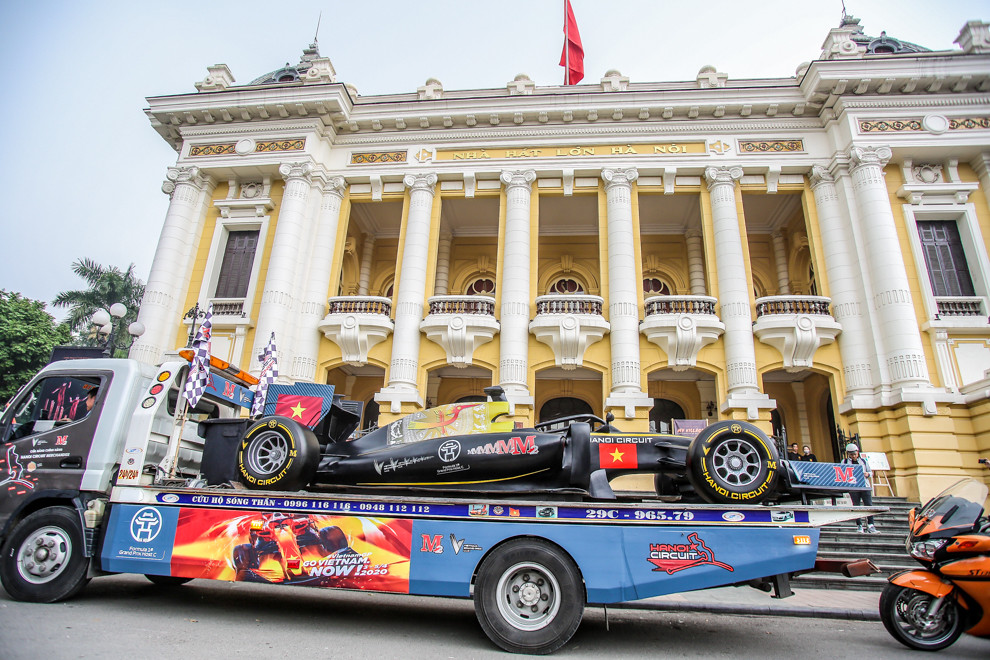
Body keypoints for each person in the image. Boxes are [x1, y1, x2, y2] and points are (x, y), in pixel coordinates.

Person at [842, 443, 876, 533]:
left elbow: (870, 472)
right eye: (851, 454)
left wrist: (867, 474)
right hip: (853, 487)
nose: (853, 456)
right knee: (856, 506)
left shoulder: (863, 461)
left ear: (857, 452)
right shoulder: (844, 462)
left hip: (865, 486)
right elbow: (842, 472)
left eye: (854, 454)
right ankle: (859, 525)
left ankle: (871, 524)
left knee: (869, 505)